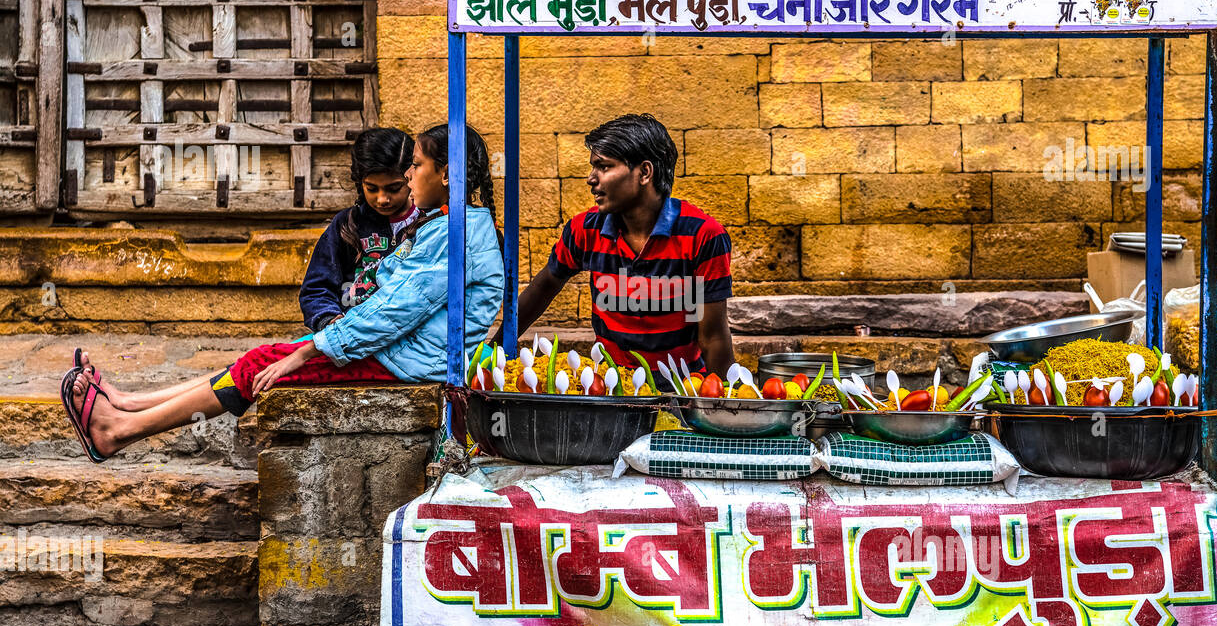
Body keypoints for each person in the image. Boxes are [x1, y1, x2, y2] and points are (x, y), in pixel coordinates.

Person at [62, 124, 504, 463]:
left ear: (445, 174)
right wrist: (319, 339)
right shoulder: (452, 225)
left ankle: (117, 432)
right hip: (398, 351)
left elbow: (391, 312)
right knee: (266, 356)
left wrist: (309, 351)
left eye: (417, 167)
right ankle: (129, 405)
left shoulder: (454, 233)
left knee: (263, 364)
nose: (409, 177)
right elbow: (376, 298)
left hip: (406, 363)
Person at [498, 113, 734, 378]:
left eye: (604, 167)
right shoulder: (585, 230)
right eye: (593, 167)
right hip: (612, 385)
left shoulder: (703, 235)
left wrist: (721, 403)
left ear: (645, 172)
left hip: (684, 387)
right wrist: (494, 350)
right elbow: (544, 286)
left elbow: (713, 338)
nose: (591, 179)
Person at [299, 126, 420, 332]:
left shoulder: (429, 224)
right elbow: (316, 288)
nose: (382, 199)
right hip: (350, 335)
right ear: (359, 182)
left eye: (394, 188)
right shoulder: (347, 224)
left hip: (406, 337)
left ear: (411, 177)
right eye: (372, 189)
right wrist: (329, 320)